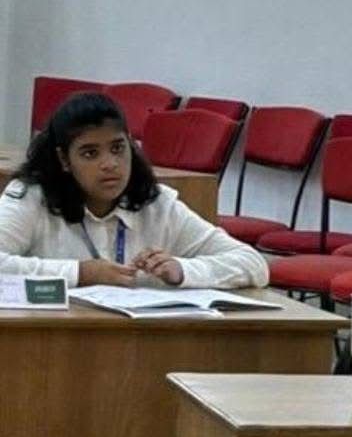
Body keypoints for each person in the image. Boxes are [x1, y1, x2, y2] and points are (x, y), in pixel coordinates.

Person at [0, 91, 268, 289]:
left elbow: (253, 264)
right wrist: (80, 273)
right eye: (90, 153)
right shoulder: (31, 197)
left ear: (131, 144)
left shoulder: (157, 204)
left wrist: (182, 270)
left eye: (118, 148)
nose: (110, 164)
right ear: (64, 160)